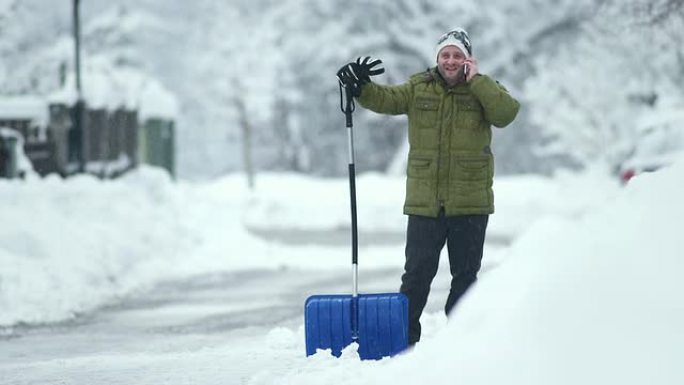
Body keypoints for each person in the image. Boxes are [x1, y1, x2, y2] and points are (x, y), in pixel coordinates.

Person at [336, 27, 520, 346]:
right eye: (445, 55)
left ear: (468, 59)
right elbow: (387, 99)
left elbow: (506, 113)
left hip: (470, 203)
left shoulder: (484, 89)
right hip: (426, 202)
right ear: (437, 58)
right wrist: (361, 88)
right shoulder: (419, 87)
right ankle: (403, 338)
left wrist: (477, 80)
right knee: (417, 275)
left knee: (465, 277)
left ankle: (462, 340)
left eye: (457, 55)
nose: (450, 61)